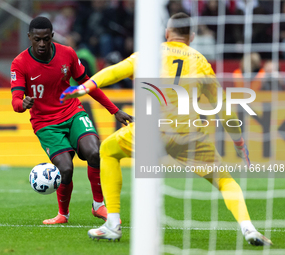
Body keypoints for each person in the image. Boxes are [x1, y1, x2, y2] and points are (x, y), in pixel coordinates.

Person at [60, 13, 273, 246]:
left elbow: (115, 71)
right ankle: (249, 229)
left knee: (109, 150)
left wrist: (85, 86)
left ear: (166, 33)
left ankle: (112, 224)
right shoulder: (201, 62)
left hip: (151, 131)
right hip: (188, 134)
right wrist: (239, 144)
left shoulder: (151, 53)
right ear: (191, 37)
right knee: (225, 181)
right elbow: (224, 110)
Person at [10, 16, 133, 225]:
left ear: (52, 36)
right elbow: (15, 101)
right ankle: (63, 215)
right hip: (46, 123)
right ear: (29, 37)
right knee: (65, 169)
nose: (41, 44)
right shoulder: (20, 63)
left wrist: (114, 110)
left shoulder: (67, 54)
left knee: (96, 152)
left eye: (46, 39)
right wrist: (24, 104)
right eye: (37, 39)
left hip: (72, 112)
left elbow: (87, 83)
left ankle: (98, 205)